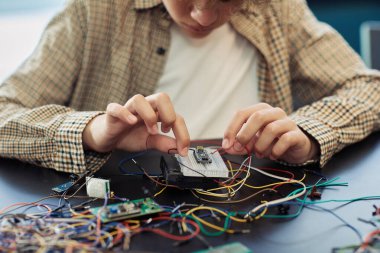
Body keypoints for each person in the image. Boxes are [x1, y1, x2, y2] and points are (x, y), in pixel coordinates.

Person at [0, 0, 379, 174]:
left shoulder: (277, 8)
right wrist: (91, 130)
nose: (203, 15)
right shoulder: (91, 11)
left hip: (257, 210)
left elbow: (369, 87)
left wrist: (308, 132)